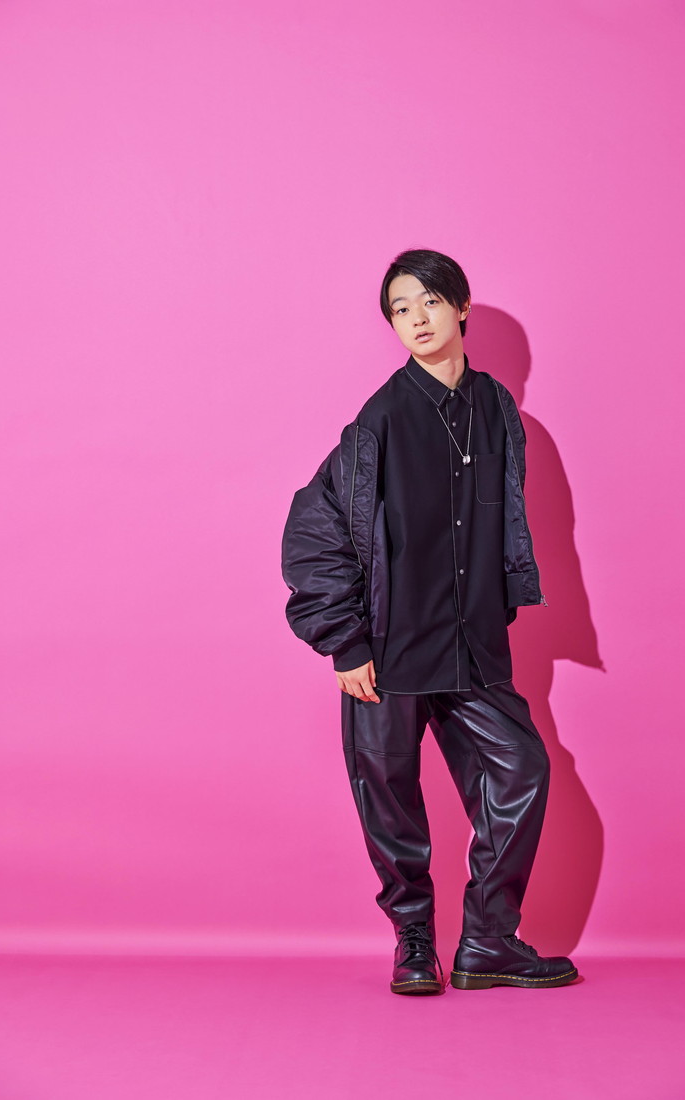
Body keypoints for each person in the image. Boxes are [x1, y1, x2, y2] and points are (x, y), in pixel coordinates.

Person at [281, 248, 578, 995]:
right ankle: (413, 941)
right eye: (400, 309)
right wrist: (345, 641)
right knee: (391, 800)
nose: (415, 319)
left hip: (471, 642)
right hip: (386, 649)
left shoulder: (497, 409)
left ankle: (487, 941)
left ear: (461, 305)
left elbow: (505, 519)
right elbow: (314, 528)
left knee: (523, 768)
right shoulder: (380, 419)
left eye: (429, 302)